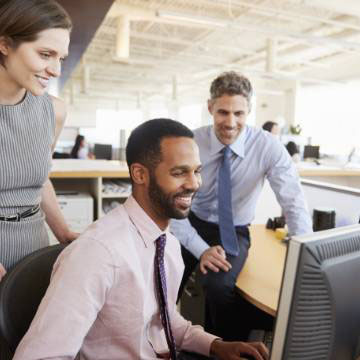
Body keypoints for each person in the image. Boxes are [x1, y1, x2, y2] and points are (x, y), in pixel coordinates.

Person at [13, 119, 269, 360]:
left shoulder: (167, 243)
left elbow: (165, 321)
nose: (194, 184)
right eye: (180, 173)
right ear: (140, 174)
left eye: (197, 171)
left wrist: (216, 346)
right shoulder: (98, 253)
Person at [171, 71, 312, 341]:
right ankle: (159, 341)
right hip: (190, 222)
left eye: (239, 114)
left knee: (218, 286)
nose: (231, 122)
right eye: (223, 112)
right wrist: (201, 250)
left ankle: (222, 347)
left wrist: (305, 259)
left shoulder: (268, 147)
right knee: (163, 281)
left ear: (249, 111)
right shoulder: (190, 142)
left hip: (232, 230)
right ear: (210, 107)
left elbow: (293, 201)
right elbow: (174, 206)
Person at [0, 0, 78, 278]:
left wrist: (62, 231)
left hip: (33, 243)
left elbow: (40, 178)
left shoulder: (54, 111)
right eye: (45, 54)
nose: (56, 70)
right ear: (5, 44)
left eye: (61, 58)